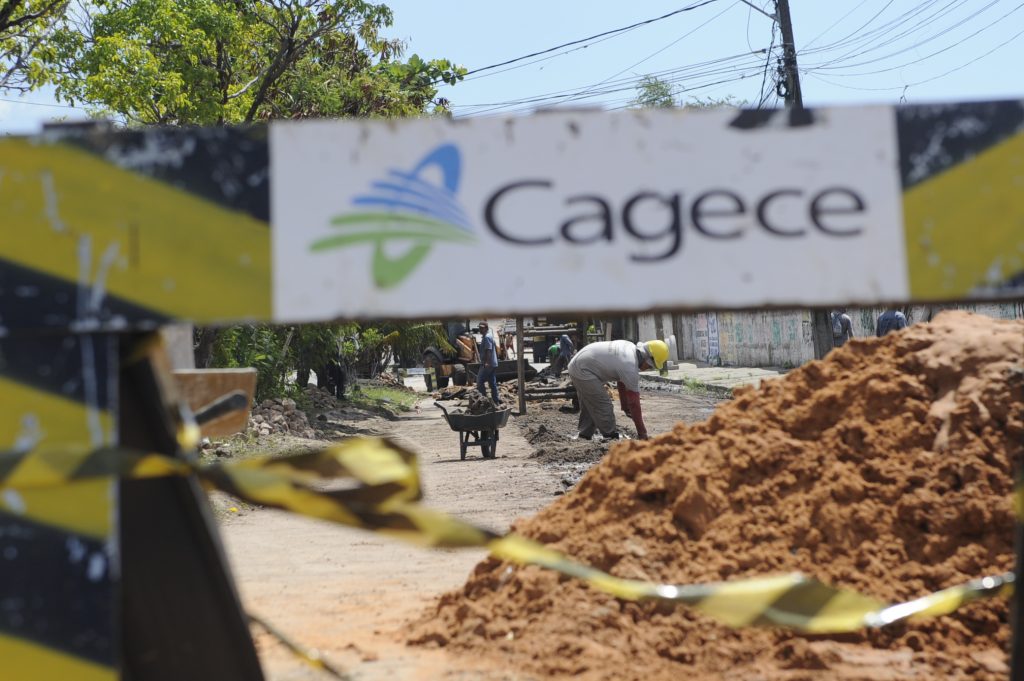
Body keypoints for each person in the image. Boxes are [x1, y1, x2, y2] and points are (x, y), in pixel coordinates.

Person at [567, 339, 669, 441]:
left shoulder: (629, 348)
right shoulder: (629, 366)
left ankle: (584, 435)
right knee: (603, 404)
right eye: (651, 365)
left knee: (591, 402)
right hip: (582, 369)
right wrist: (642, 433)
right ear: (647, 358)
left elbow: (621, 381)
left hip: (580, 364)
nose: (649, 368)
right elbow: (634, 403)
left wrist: (625, 407)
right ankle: (610, 437)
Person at [476, 321, 501, 403]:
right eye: (479, 328)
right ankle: (495, 400)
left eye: (482, 328)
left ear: (486, 328)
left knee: (479, 381)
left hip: (488, 364)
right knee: (492, 382)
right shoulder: (489, 336)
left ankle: (484, 400)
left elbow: (488, 350)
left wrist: (487, 362)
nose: (480, 329)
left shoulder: (487, 337)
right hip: (492, 363)